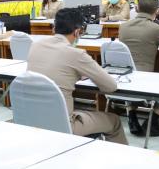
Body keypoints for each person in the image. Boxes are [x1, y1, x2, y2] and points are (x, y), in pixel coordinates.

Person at [27, 8, 127, 144]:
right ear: (77, 32)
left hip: (31, 119)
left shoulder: (35, 46)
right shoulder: (76, 54)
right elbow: (111, 86)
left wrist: (74, 74)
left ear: (54, 28)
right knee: (114, 121)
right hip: (62, 125)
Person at [119, 0, 159, 136]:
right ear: (156, 10)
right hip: (144, 80)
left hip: (124, 80)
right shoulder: (156, 29)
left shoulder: (123, 27)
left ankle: (132, 117)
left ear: (137, 8)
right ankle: (154, 119)